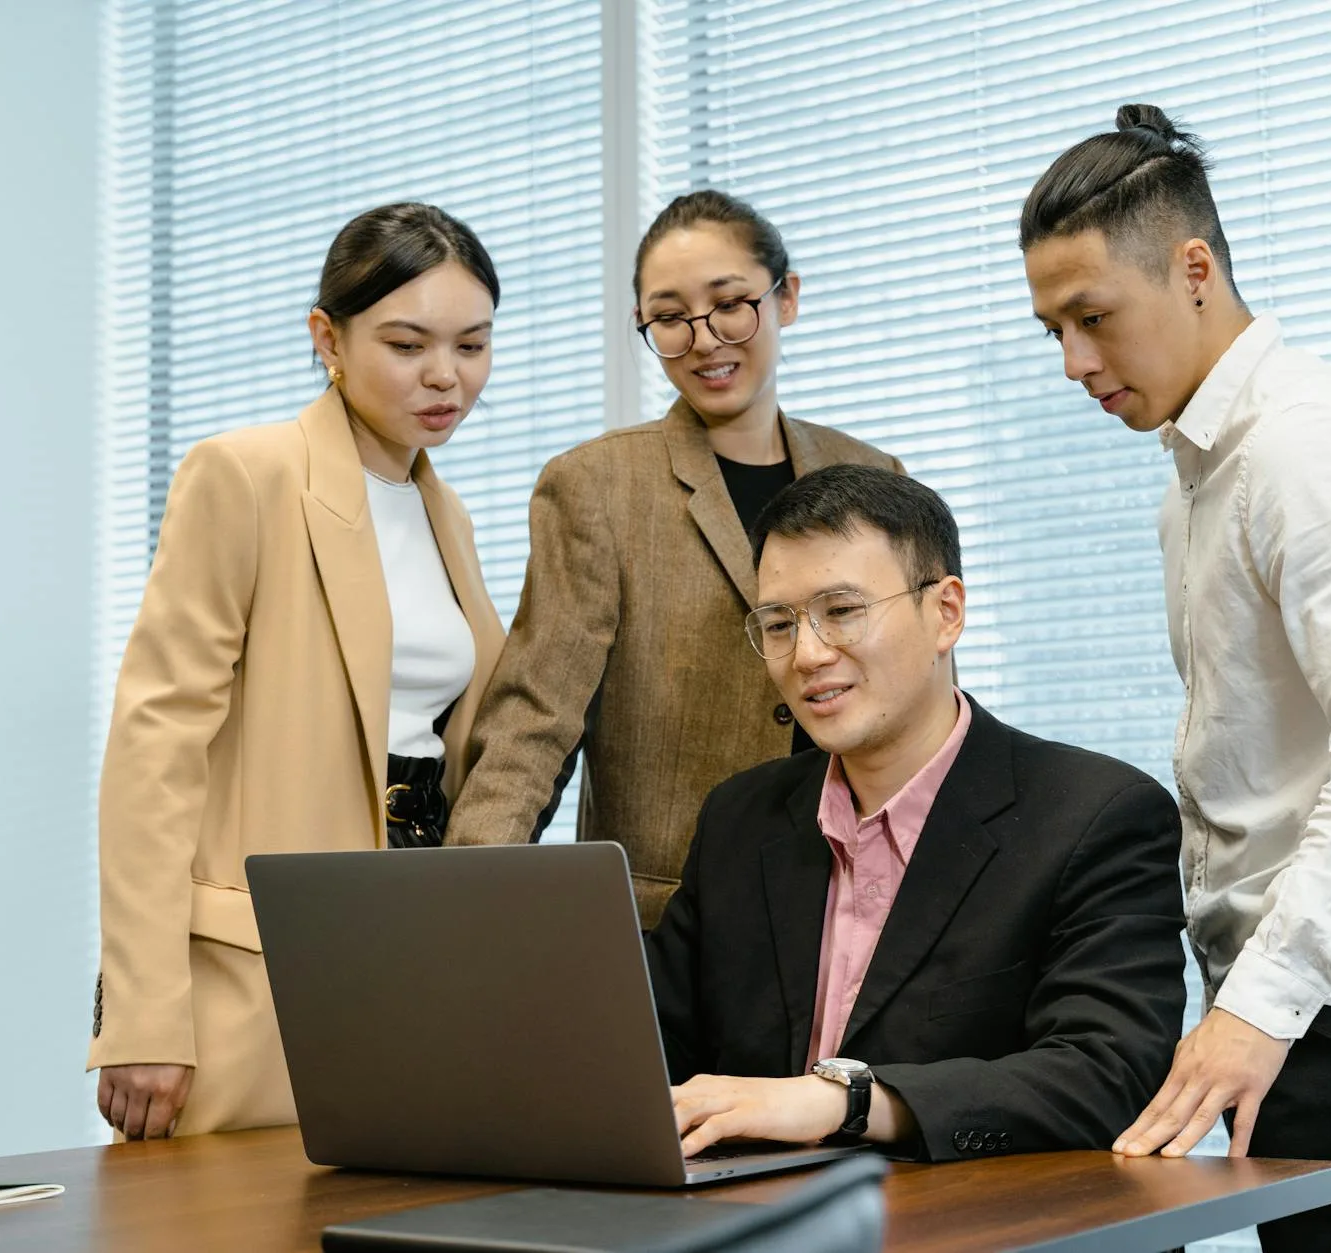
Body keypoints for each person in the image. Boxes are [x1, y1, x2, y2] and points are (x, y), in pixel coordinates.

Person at [1021, 104, 1331, 1247]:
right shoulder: (1193, 475)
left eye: (1092, 317)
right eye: (1051, 330)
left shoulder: (1301, 446)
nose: (1074, 361)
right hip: (1302, 1007)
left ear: (1192, 269)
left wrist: (1259, 1002)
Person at [88, 203, 508, 1139]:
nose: (447, 375)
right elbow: (154, 749)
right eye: (408, 343)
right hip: (257, 962)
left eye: (473, 344)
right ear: (328, 337)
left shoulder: (451, 518)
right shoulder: (244, 475)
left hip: (412, 950)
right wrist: (144, 1008)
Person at [646, 464, 1186, 1160]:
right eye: (779, 623)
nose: (807, 653)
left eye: (842, 611)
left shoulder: (1096, 815)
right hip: (751, 1218)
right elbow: (651, 1050)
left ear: (946, 612)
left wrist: (845, 1102)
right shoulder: (740, 817)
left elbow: (1106, 1079)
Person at [448, 190, 902, 928]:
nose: (704, 338)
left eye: (730, 304)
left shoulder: (874, 475)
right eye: (668, 317)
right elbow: (536, 719)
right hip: (669, 923)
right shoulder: (595, 486)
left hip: (852, 907)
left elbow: (919, 697)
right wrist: (465, 905)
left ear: (785, 298)